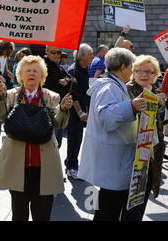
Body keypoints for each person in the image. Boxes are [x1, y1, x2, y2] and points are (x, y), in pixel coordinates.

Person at [0, 55, 73, 221]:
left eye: (36, 71)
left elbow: (59, 124)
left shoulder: (52, 97)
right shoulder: (10, 95)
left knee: (42, 214)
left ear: (42, 75)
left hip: (44, 165)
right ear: (20, 74)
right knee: (19, 214)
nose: (32, 73)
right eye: (28, 70)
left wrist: (64, 109)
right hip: (17, 164)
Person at [77, 47, 147, 221]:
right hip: (112, 162)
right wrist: (131, 106)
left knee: (110, 206)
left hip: (116, 159)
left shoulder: (114, 84)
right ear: (123, 68)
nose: (133, 72)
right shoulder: (109, 86)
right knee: (108, 209)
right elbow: (105, 116)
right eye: (132, 67)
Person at [125, 55, 166, 220]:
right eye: (139, 71)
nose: (143, 75)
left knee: (141, 199)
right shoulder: (126, 90)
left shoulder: (155, 92)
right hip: (131, 153)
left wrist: (160, 103)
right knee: (130, 200)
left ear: (155, 74)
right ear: (133, 72)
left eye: (149, 72)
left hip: (151, 152)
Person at [65, 44, 94, 179]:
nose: (92, 56)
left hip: (84, 109)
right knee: (74, 139)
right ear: (82, 56)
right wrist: (80, 112)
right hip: (75, 112)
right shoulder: (73, 71)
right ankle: (71, 167)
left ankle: (71, 163)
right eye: (90, 54)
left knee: (78, 139)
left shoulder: (84, 69)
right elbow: (72, 94)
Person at [43, 46, 74, 148]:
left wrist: (67, 81)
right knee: (51, 144)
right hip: (47, 108)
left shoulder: (58, 67)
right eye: (53, 52)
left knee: (57, 144)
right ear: (46, 52)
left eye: (59, 52)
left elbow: (74, 81)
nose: (57, 55)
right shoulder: (43, 66)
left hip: (59, 107)